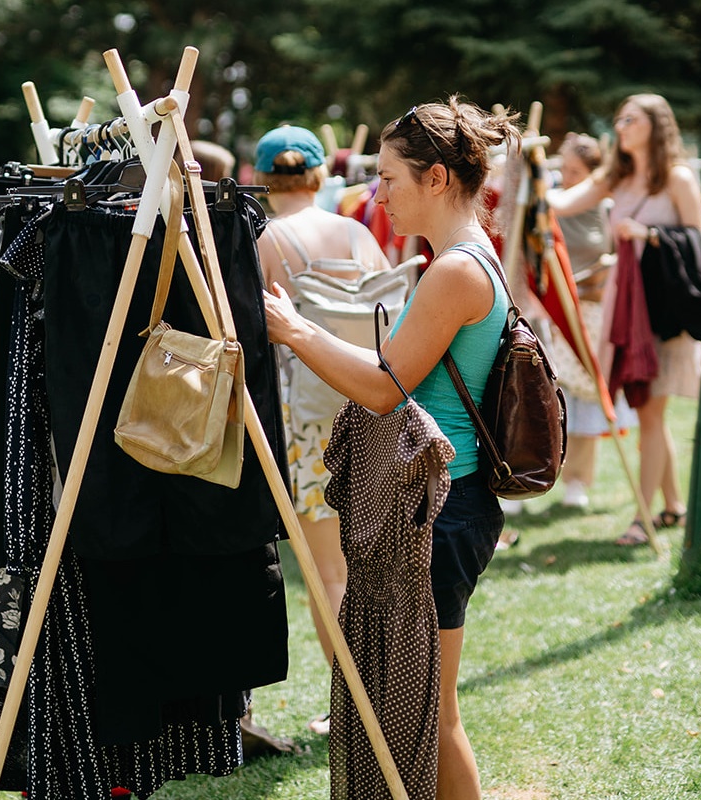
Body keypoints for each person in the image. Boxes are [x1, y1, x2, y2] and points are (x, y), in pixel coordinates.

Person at [263, 97, 520, 799]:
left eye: (388, 179)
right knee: (419, 711)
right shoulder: (464, 258)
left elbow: (383, 388)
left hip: (438, 510)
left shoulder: (455, 271)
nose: (378, 195)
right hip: (436, 504)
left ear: (436, 178)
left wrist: (296, 330)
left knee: (433, 715)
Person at [253, 124, 393, 736]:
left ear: (263, 178)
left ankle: (354, 708)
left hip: (307, 419)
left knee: (328, 573)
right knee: (373, 569)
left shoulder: (265, 240)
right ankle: (386, 694)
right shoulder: (358, 232)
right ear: (318, 175)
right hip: (369, 406)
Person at [549, 94, 701, 545]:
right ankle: (673, 506)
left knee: (650, 411)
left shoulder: (677, 178)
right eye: (619, 119)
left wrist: (650, 234)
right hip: (626, 309)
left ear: (657, 126)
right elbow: (561, 202)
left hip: (662, 309)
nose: (620, 126)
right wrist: (529, 173)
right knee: (647, 408)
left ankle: (642, 518)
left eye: (631, 119)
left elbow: (699, 242)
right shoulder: (614, 176)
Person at [548, 133, 637, 510]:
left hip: (592, 310)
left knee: (585, 394)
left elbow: (617, 257)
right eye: (564, 169)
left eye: (576, 172)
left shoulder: (604, 207)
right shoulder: (549, 204)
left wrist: (601, 275)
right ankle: (539, 474)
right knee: (552, 395)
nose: (567, 178)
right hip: (555, 311)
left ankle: (578, 481)